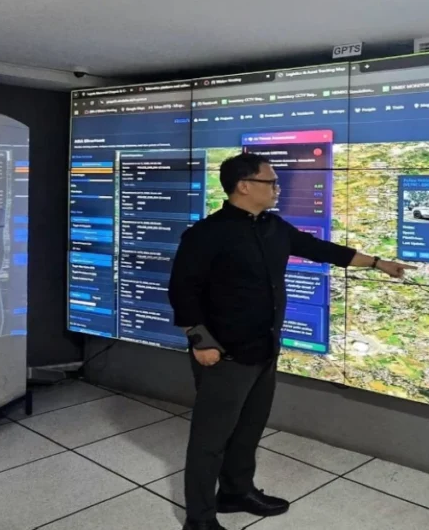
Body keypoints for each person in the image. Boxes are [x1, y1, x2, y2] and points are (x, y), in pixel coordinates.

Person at [168, 152, 415, 530]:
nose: (277, 188)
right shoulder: (206, 234)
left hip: (264, 350)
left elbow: (321, 250)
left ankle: (236, 492)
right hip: (224, 355)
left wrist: (378, 263)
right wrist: (200, 341)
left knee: (248, 430)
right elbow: (182, 291)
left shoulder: (273, 227)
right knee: (210, 440)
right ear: (244, 186)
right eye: (270, 181)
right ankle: (199, 519)